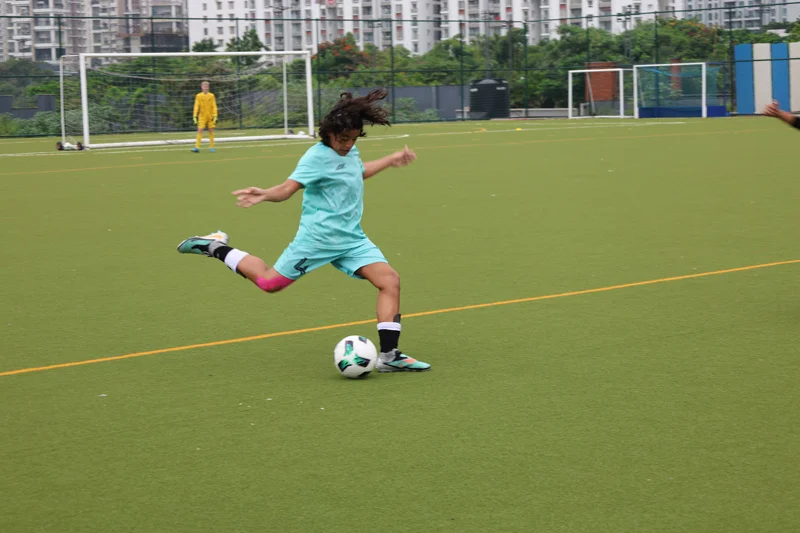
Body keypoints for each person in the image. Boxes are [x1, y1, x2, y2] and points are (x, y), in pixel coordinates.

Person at [177, 89, 430, 373]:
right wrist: (265, 194)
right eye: (343, 139)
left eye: (353, 139)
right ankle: (214, 246)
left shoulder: (349, 151)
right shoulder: (315, 157)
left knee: (390, 281)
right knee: (269, 283)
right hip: (317, 240)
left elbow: (356, 171)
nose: (348, 145)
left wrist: (390, 160)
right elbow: (287, 189)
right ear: (329, 133)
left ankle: (390, 356)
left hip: (351, 239)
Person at [192, 81, 218, 153]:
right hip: (202, 116)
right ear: (202, 87)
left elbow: (214, 105)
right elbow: (196, 106)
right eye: (204, 87)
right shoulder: (198, 96)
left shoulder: (211, 95)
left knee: (211, 130)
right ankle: (197, 147)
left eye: (207, 87)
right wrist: (194, 115)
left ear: (208, 87)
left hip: (210, 116)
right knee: (200, 130)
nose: (205, 88)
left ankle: (212, 147)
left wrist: (215, 115)